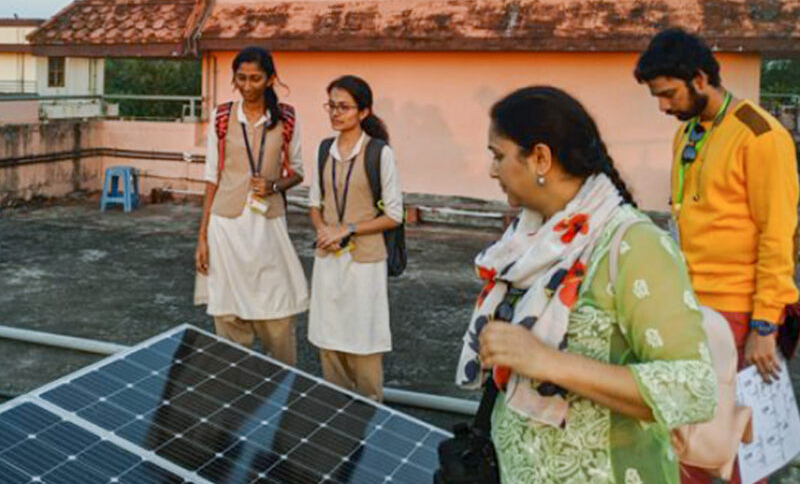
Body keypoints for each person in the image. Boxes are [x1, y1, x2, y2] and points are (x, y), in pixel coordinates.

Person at [456, 86, 716, 483]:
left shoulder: (631, 245)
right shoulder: (526, 242)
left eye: (498, 155)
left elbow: (694, 388)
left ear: (540, 157)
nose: (492, 170)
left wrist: (550, 363)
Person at [634, 28, 799, 483]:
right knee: (689, 438)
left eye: (667, 94)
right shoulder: (688, 133)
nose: (663, 106)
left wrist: (765, 325)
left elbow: (779, 236)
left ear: (700, 78)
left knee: (738, 447)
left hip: (740, 313)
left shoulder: (760, 137)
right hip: (691, 308)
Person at [193, 46, 308, 366]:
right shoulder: (222, 116)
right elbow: (211, 177)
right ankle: (235, 385)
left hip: (267, 224)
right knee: (228, 313)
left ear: (270, 79)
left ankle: (283, 383)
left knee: (277, 309)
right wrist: (201, 236)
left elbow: (297, 171)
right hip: (225, 225)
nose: (247, 85)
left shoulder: (285, 118)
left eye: (255, 78)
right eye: (241, 78)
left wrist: (273, 186)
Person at [307, 75, 402, 402]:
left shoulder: (379, 154)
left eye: (344, 107)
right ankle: (336, 416)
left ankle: (371, 418)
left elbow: (394, 215)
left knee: (363, 341)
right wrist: (323, 229)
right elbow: (314, 204)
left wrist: (345, 229)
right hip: (328, 257)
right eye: (331, 106)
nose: (335, 113)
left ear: (363, 112)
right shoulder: (323, 150)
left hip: (364, 262)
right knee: (329, 341)